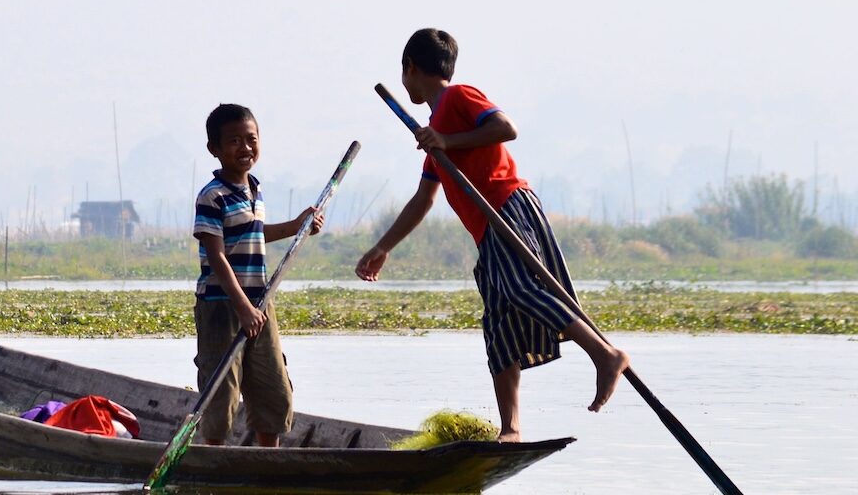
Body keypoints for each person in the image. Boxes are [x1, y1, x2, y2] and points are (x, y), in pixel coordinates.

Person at [355, 28, 632, 442]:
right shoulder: (434, 129)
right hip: (487, 230)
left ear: (410, 68)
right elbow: (423, 200)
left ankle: (605, 354)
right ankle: (511, 428)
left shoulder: (457, 97)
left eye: (404, 72)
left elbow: (505, 127)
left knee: (521, 290)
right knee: (499, 325)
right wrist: (382, 247)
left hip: (508, 208)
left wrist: (447, 139)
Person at [193, 103, 323, 447]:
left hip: (260, 303)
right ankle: (215, 464)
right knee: (221, 396)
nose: (245, 148)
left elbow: (254, 233)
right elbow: (217, 255)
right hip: (223, 307)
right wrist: (242, 308)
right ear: (215, 150)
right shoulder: (212, 196)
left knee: (274, 393)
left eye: (251, 139)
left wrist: (297, 226)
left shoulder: (255, 189)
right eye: (234, 141)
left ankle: (268, 465)